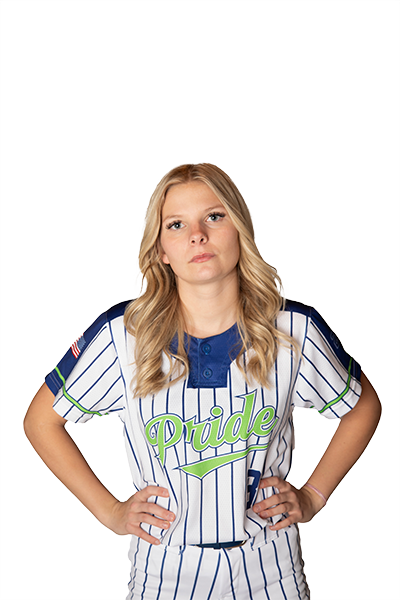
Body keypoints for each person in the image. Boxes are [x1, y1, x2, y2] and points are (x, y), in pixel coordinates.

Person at [24, 163, 382, 600]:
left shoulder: (294, 329)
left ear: (239, 228)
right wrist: (110, 512)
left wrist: (313, 495)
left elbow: (363, 407)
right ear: (161, 250)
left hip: (271, 565)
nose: (197, 235)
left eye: (214, 216)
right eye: (176, 224)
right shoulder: (123, 334)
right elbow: (41, 421)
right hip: (166, 566)